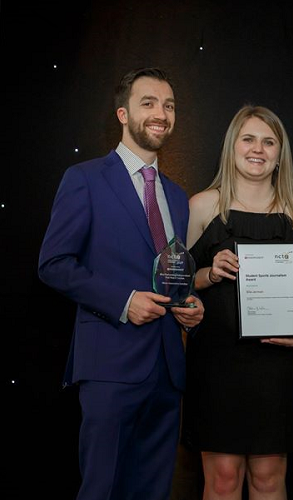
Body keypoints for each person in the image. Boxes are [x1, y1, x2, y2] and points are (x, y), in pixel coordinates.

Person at [38, 67, 204, 499]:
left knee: (152, 489)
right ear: (122, 113)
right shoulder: (85, 179)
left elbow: (171, 273)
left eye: (169, 105)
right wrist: (123, 301)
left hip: (167, 366)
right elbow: (53, 263)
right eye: (148, 103)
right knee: (102, 488)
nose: (161, 114)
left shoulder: (177, 197)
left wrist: (188, 305)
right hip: (110, 363)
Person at [183, 105, 293, 500]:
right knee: (223, 478)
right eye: (248, 138)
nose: (257, 149)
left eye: (268, 141)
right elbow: (177, 289)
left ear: (280, 153)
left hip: (277, 366)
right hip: (217, 362)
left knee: (268, 477)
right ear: (232, 146)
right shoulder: (202, 206)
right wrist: (210, 272)